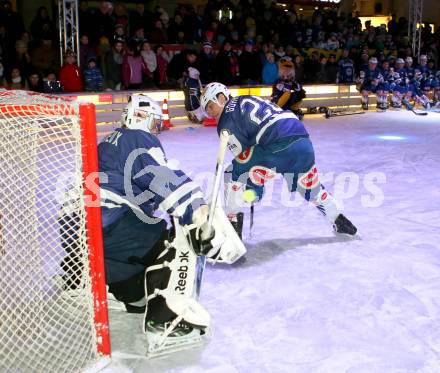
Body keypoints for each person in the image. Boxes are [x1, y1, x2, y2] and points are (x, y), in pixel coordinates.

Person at [59, 94, 242, 355]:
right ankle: (167, 318)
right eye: (155, 123)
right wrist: (197, 210)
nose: (156, 130)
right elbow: (162, 178)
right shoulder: (137, 137)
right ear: (142, 117)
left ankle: (86, 283)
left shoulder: (108, 142)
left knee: (139, 291)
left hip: (75, 232)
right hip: (106, 222)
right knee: (178, 236)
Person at [201, 83, 357, 239]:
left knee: (232, 172)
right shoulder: (245, 99)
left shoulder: (226, 121)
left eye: (210, 106)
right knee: (310, 188)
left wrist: (254, 190)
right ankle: (339, 219)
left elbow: (244, 160)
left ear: (221, 98)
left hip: (276, 143)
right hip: (301, 140)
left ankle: (232, 233)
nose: (209, 113)